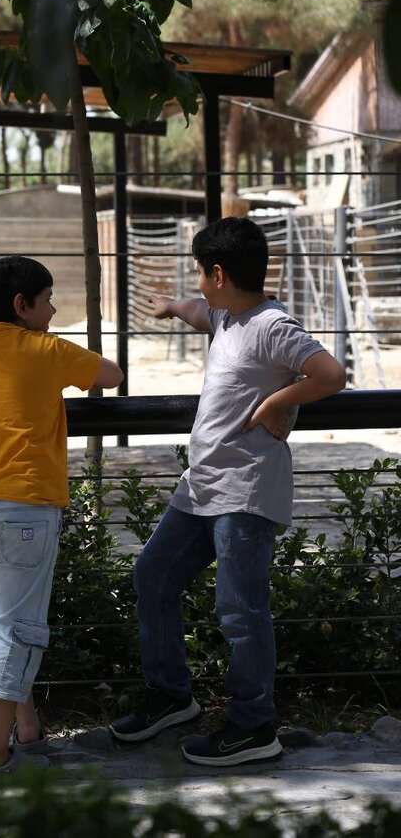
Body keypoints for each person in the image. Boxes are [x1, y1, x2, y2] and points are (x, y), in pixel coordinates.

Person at [109, 216, 347, 767]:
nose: (196, 283)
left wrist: (275, 402)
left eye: (198, 272)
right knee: (153, 576)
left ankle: (253, 724)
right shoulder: (225, 315)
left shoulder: (272, 325)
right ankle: (172, 697)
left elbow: (331, 374)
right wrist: (172, 306)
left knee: (240, 610)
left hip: (246, 490)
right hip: (202, 487)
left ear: (217, 273)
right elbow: (201, 314)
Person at [0, 255, 124, 771]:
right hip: (26, 504)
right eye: (47, 301)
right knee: (17, 626)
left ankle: (27, 730)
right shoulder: (48, 350)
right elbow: (111, 375)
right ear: (21, 305)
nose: (54, 310)